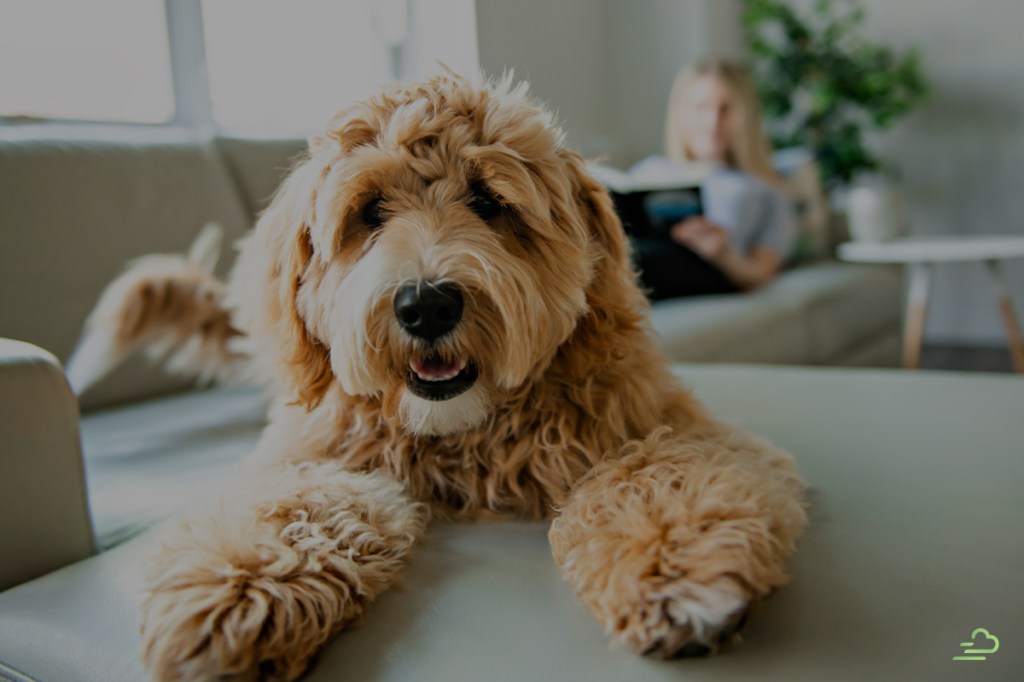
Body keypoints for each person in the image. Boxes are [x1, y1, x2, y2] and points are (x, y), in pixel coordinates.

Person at [629, 59, 796, 301]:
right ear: (681, 113)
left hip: (707, 268)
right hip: (633, 255)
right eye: (701, 108)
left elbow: (761, 271)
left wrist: (724, 255)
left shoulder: (764, 187)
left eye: (725, 109)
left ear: (745, 116)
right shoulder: (648, 170)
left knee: (630, 259)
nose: (712, 123)